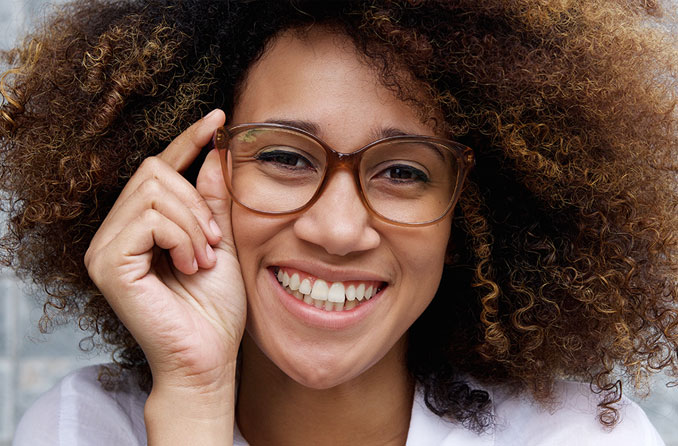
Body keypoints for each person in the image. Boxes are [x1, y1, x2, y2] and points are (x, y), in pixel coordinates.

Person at [1, 0, 677, 444]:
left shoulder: (575, 437)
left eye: (404, 171)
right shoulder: (83, 430)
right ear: (194, 174)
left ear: (469, 213)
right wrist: (195, 403)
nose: (338, 229)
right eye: (287, 157)